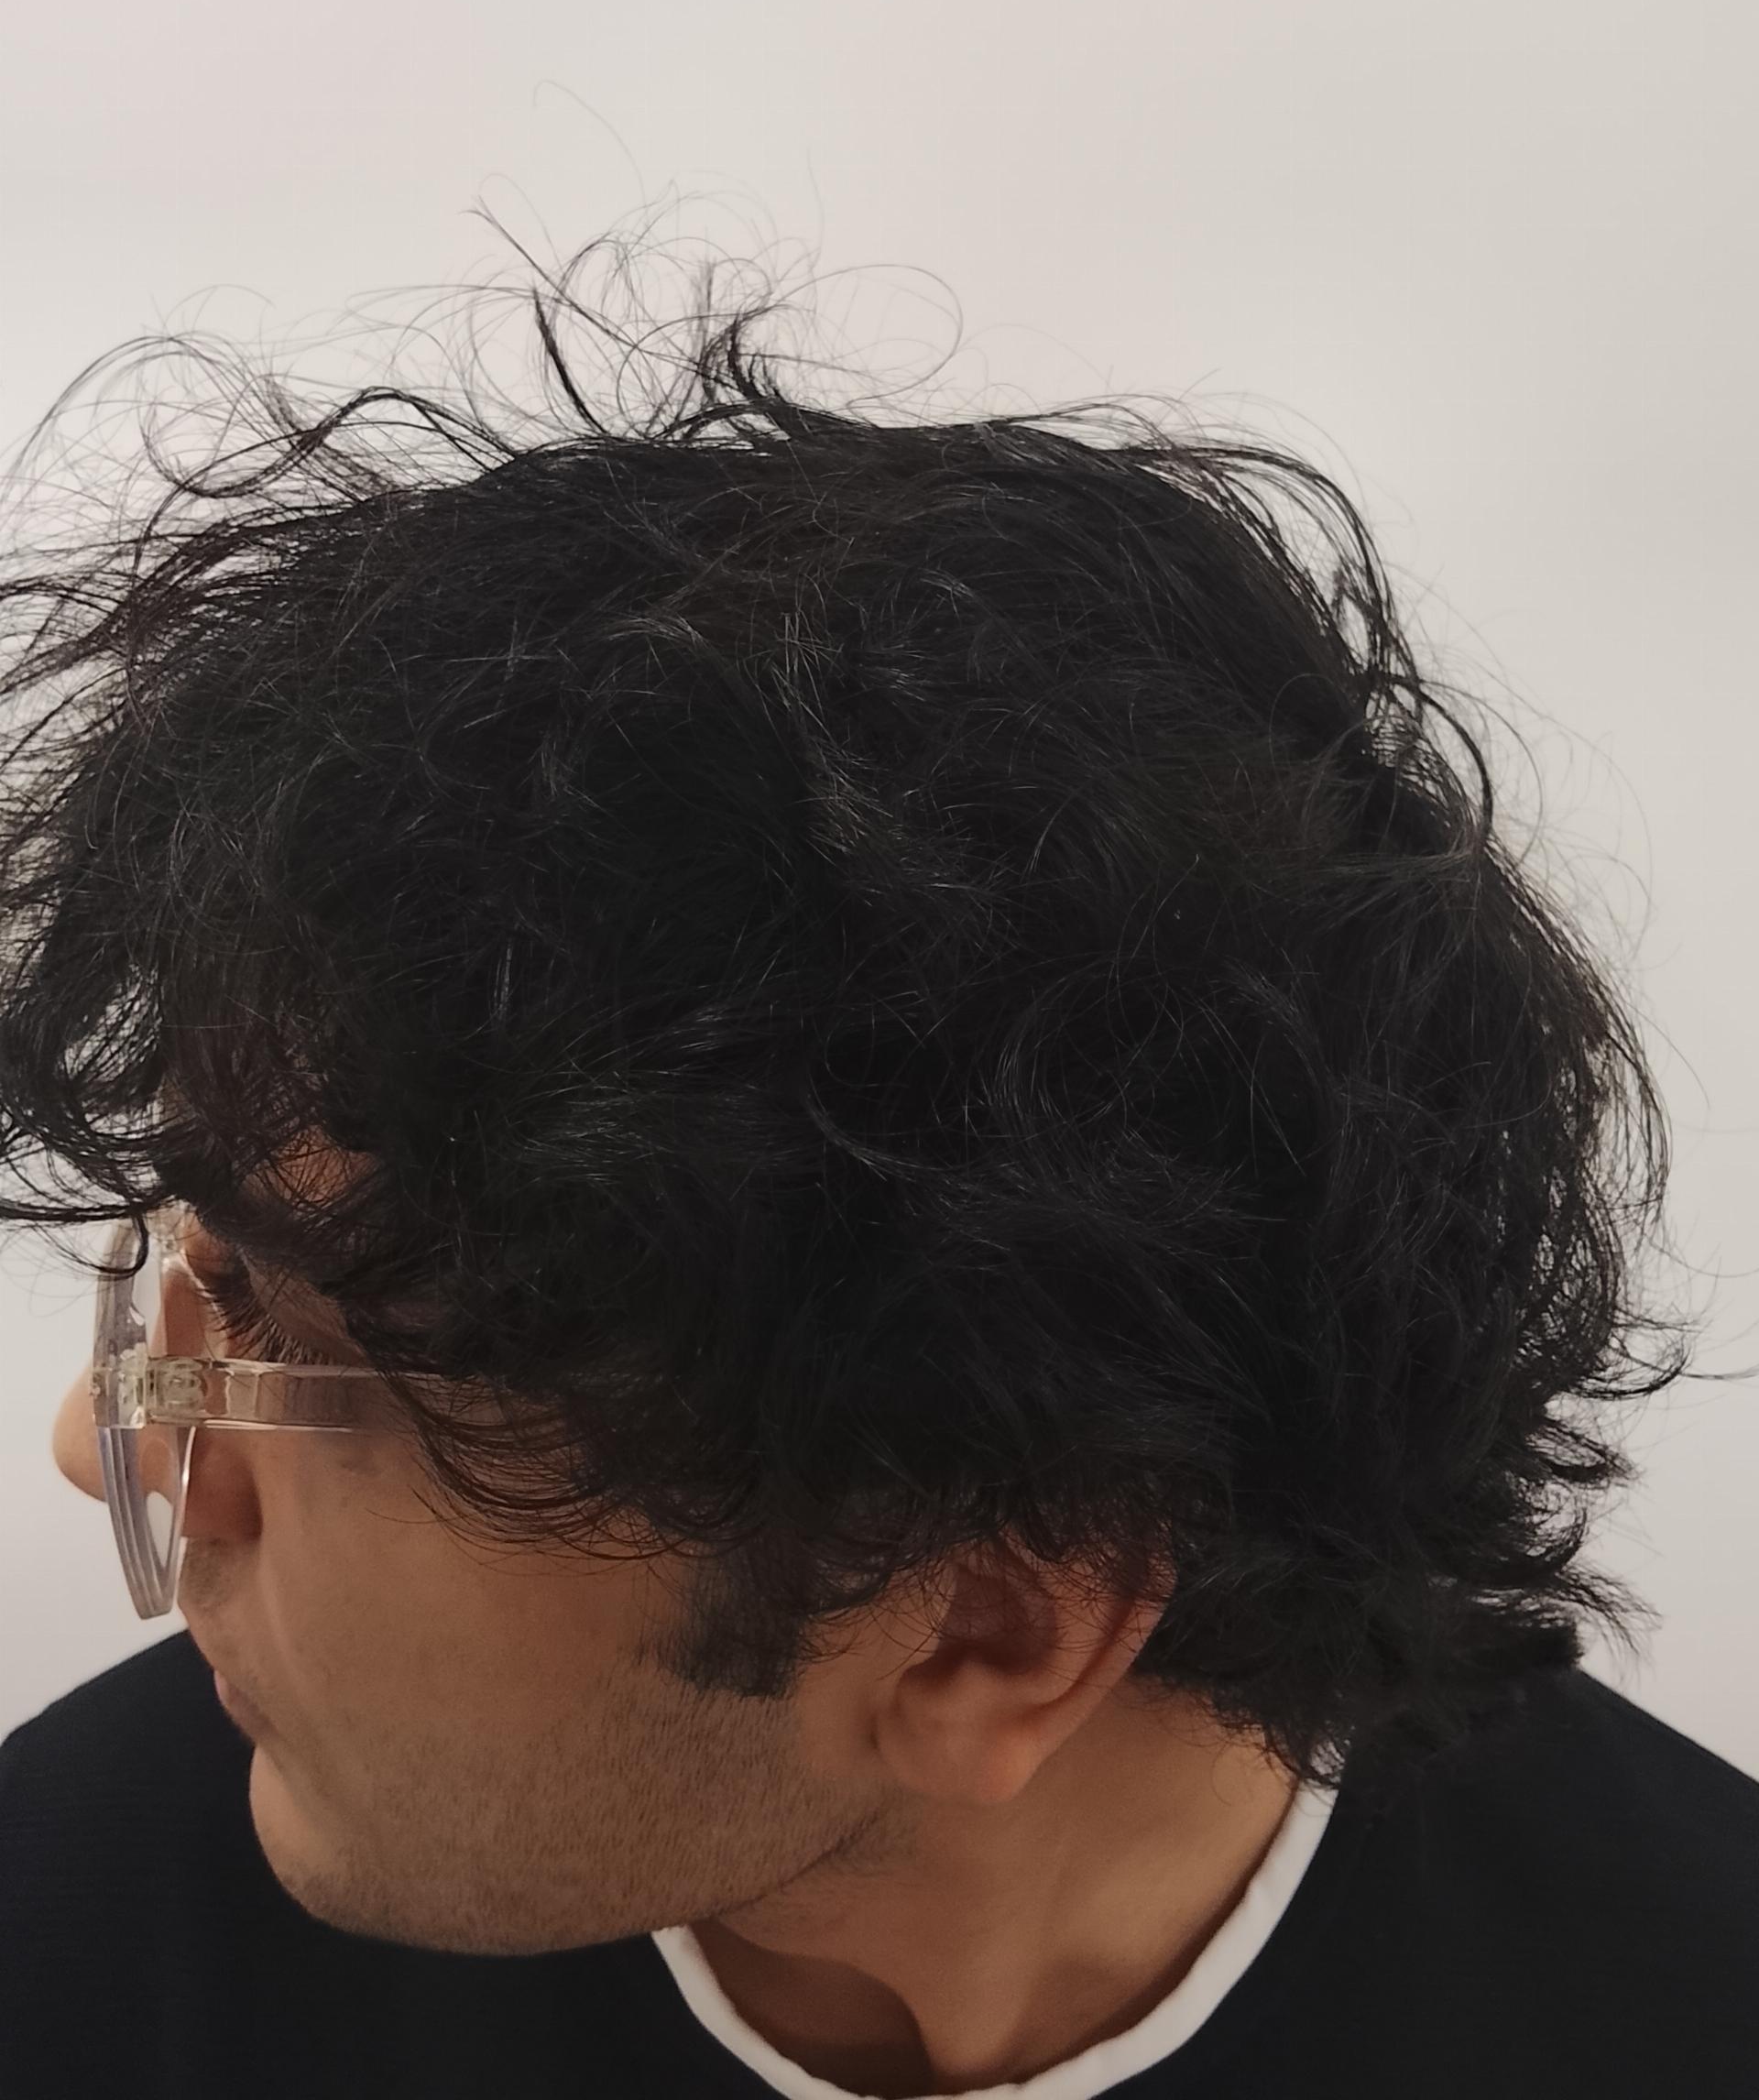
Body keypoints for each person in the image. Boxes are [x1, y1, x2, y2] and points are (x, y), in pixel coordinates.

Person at [0, 247, 1754, 2099]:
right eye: (198, 1267)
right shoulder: (77, 1936)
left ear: (983, 1633)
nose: (95, 1440)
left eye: (289, 1339)